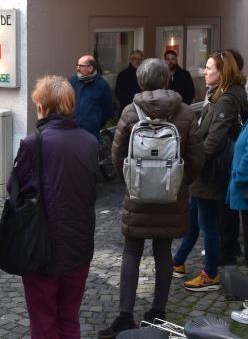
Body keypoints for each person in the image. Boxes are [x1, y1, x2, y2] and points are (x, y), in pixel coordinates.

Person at [99, 59, 204, 338]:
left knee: (132, 252)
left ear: (140, 82)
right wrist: (180, 184)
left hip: (138, 192)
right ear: (168, 80)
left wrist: (132, 182)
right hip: (172, 193)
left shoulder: (130, 112)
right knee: (162, 252)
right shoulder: (184, 113)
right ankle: (158, 312)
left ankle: (124, 316)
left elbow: (116, 154)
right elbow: (196, 157)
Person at [12, 75, 97, 338]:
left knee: (43, 321)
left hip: (42, 246)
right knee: (69, 318)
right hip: (79, 244)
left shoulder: (33, 143)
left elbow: (14, 191)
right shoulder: (91, 142)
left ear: (42, 108)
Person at [173, 51, 248, 291]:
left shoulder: (226, 99)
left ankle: (211, 273)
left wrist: (193, 162)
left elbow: (214, 140)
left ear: (222, 72)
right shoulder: (219, 94)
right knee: (195, 217)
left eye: (208, 68)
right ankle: (178, 262)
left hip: (211, 170)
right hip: (207, 169)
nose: (204, 71)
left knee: (207, 224)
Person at [220, 48, 248, 266]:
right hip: (234, 164)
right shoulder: (231, 92)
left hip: (233, 165)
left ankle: (229, 250)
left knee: (231, 213)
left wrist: (239, 176)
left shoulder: (231, 95)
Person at [69, 54, 114, 137]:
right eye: (77, 65)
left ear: (90, 68)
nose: (77, 68)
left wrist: (95, 124)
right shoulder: (72, 81)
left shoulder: (102, 85)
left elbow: (107, 110)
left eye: (81, 66)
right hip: (72, 131)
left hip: (91, 134)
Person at [115, 50, 144, 117]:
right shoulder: (123, 75)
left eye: (139, 59)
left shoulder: (144, 74)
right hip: (127, 110)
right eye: (135, 59)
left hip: (142, 110)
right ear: (130, 59)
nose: (137, 61)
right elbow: (118, 93)